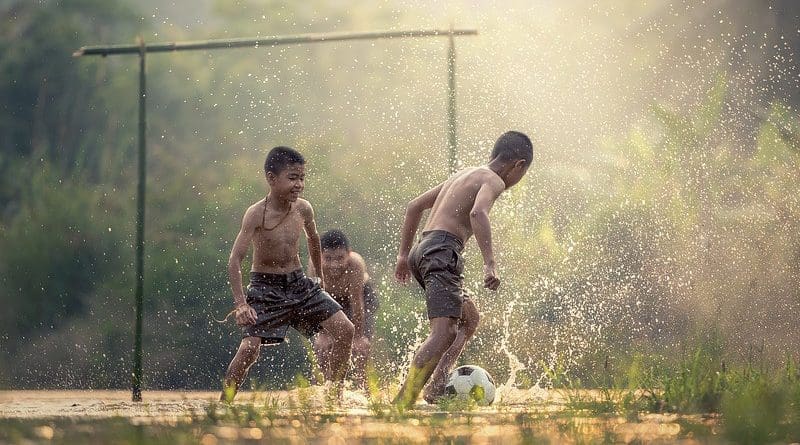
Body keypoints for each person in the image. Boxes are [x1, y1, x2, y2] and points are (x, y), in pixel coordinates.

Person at [393, 131, 533, 409]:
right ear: (517, 165)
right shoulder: (493, 180)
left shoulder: (466, 174)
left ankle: (436, 386)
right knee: (443, 332)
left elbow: (414, 207)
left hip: (423, 249)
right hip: (443, 250)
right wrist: (490, 263)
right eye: (522, 173)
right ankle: (401, 404)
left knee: (469, 319)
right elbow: (477, 213)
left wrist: (402, 255)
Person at [221, 146, 354, 402]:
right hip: (265, 287)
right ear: (272, 178)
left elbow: (314, 241)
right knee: (249, 348)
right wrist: (240, 304)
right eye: (292, 178)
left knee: (345, 329)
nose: (299, 185)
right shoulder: (256, 214)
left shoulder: (303, 209)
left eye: (302, 178)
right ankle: (223, 404)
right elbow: (234, 259)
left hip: (299, 284)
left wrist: (320, 281)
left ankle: (334, 396)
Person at [309, 229, 380, 387]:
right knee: (323, 348)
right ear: (320, 256)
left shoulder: (356, 264)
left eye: (340, 258)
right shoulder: (314, 266)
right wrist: (323, 334)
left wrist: (358, 336)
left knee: (360, 349)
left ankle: (365, 388)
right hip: (328, 299)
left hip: (360, 297)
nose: (335, 265)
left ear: (349, 253)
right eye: (328, 259)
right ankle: (321, 389)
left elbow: (357, 302)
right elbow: (316, 303)